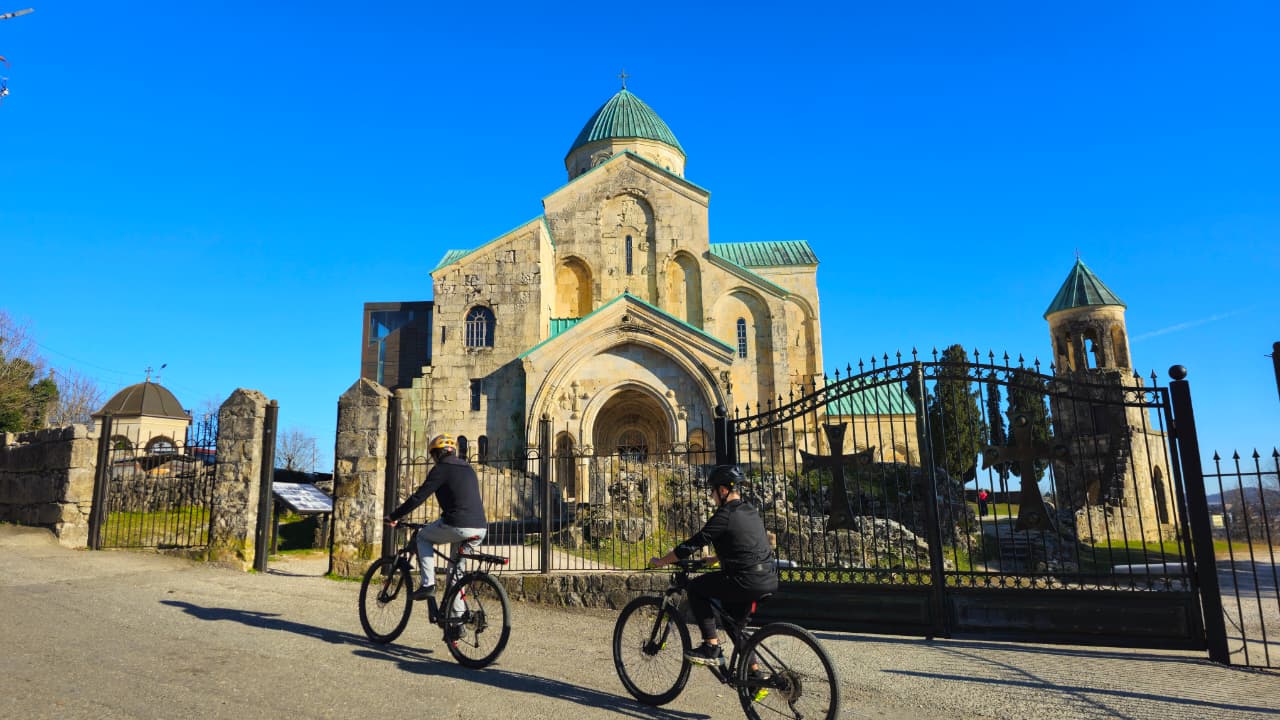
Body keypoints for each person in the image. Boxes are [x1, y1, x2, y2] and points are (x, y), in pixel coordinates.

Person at [650, 464, 778, 666]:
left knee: (696, 588)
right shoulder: (750, 510)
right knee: (732, 622)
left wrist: (661, 561)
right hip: (768, 578)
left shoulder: (724, 515)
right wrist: (715, 559)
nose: (712, 496)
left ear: (723, 490)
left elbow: (693, 543)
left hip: (744, 580)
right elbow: (745, 543)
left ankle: (711, 647)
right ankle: (754, 672)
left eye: (713, 491)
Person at [385, 433, 487, 610]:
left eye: (433, 455)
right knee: (456, 573)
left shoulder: (442, 468)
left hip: (458, 526)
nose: (433, 459)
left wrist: (394, 516)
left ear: (438, 454)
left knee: (423, 538)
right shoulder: (468, 468)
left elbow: (419, 497)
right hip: (480, 528)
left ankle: (428, 584)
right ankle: (457, 623)